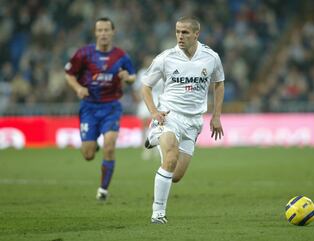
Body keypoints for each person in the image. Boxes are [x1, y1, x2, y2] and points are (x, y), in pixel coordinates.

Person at [141, 16, 225, 224]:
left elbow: (219, 83)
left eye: (185, 32)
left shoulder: (211, 57)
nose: (180, 36)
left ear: (196, 34)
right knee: (170, 158)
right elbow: (145, 86)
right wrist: (153, 112)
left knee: (176, 175)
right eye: (177, 31)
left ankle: (154, 138)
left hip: (194, 121)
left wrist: (216, 116)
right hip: (170, 116)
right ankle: (158, 213)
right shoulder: (165, 58)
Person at [64, 17, 136, 201]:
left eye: (107, 30)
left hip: (111, 107)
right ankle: (92, 144)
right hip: (89, 107)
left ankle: (103, 189)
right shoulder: (84, 54)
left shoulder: (121, 56)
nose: (103, 33)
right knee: (88, 154)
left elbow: (133, 77)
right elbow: (69, 74)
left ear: (113, 32)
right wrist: (78, 88)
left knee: (110, 146)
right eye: (100, 30)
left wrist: (126, 77)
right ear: (95, 33)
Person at [133, 55, 164, 160]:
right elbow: (138, 87)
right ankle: (145, 148)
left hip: (158, 101)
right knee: (144, 124)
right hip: (145, 101)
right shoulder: (142, 72)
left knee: (157, 125)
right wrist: (138, 97)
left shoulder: (161, 72)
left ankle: (156, 148)